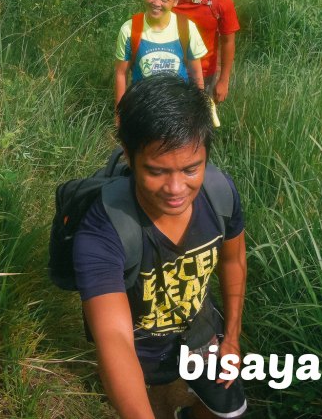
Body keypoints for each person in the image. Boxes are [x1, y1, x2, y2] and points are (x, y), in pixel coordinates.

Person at [74, 75, 248, 419]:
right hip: (140, 355)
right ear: (128, 155)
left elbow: (233, 261)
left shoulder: (220, 194)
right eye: (156, 171)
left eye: (190, 169)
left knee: (229, 412)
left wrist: (232, 336)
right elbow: (114, 339)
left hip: (202, 333)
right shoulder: (102, 230)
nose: (175, 188)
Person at [115, 0, 208, 108]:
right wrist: (119, 113)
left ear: (175, 1)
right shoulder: (129, 30)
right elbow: (121, 73)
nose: (157, 3)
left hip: (178, 110)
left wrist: (200, 107)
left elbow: (196, 73)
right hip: (141, 109)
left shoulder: (187, 28)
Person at [173, 0, 240, 104]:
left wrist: (223, 80)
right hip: (167, 71)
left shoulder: (221, 1)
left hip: (204, 75)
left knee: (198, 125)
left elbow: (228, 41)